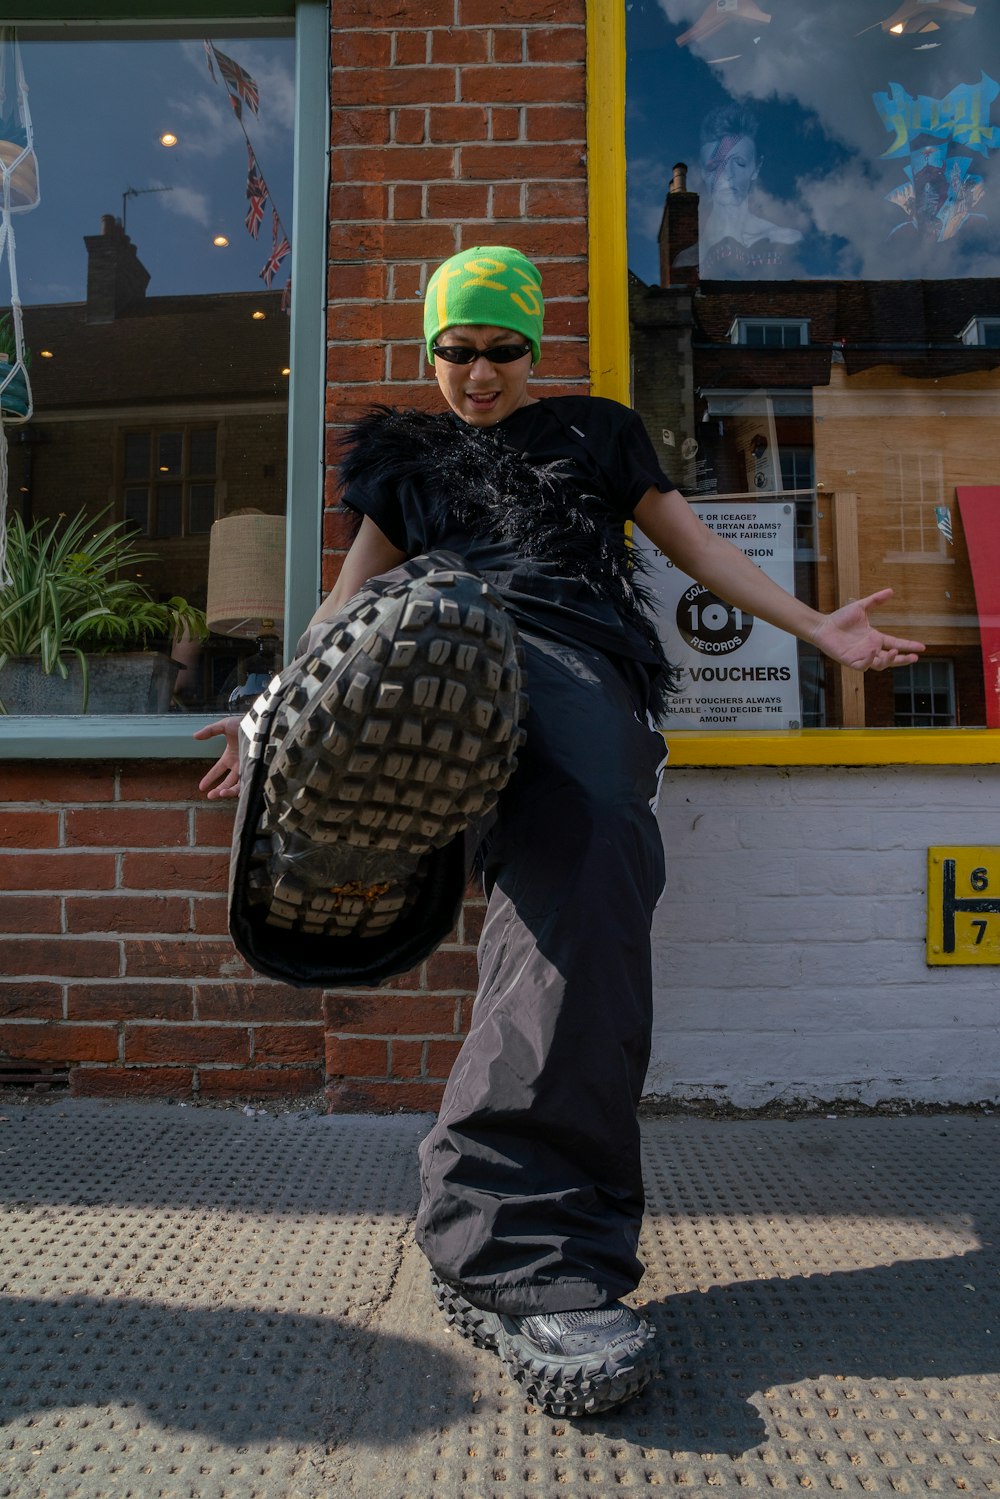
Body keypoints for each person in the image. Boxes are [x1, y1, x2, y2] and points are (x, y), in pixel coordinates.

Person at [196, 245, 924, 1417]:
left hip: (577, 668)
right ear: (429, 347)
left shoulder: (596, 430)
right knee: (546, 899)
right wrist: (267, 710)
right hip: (440, 677)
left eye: (501, 349)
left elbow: (697, 549)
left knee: (582, 902)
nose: (477, 375)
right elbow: (344, 602)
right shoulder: (405, 458)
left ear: (535, 346)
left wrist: (814, 630)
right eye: (455, 350)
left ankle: (509, 1233)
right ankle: (519, 1246)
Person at [680, 103, 803, 278]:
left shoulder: (785, 241)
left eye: (739, 163)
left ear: (756, 168)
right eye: (715, 165)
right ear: (702, 171)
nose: (727, 175)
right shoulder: (687, 259)